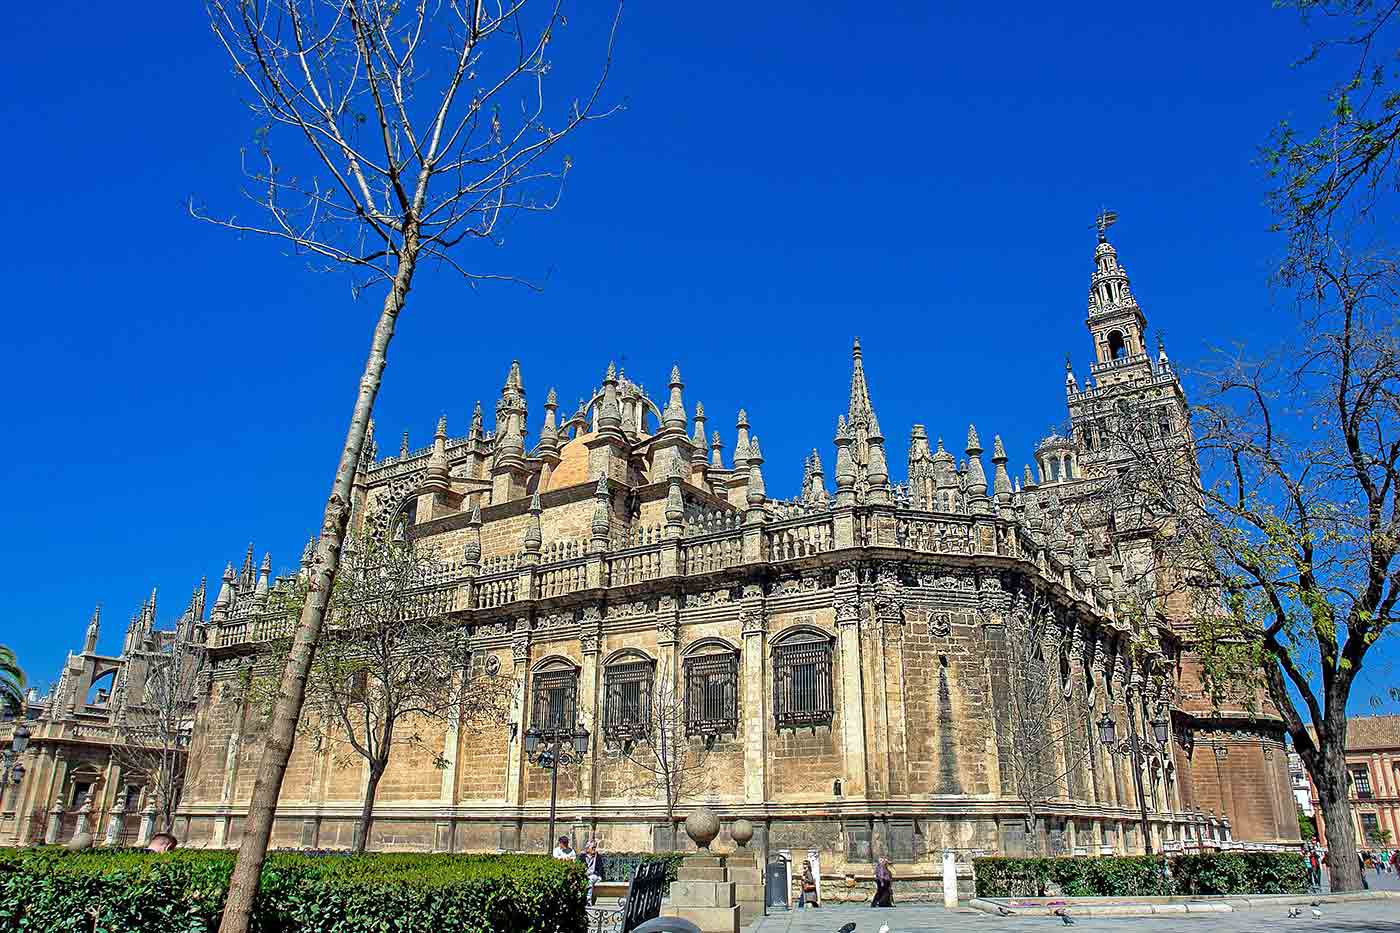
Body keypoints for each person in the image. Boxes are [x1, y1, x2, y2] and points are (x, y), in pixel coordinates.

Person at [583, 840, 603, 905]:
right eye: (592, 847)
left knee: (590, 880)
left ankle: (588, 900)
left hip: (595, 875)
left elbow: (600, 868)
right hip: (585, 875)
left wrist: (598, 875)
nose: (594, 849)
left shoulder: (598, 857)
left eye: (595, 847)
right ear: (587, 849)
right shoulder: (582, 857)